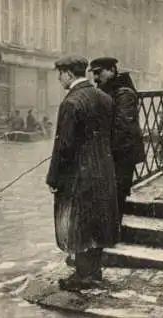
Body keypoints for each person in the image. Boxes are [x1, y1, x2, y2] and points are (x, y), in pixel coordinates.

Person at [47, 56, 118, 291]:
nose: (59, 79)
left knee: (77, 223)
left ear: (68, 74)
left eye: (60, 74)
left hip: (78, 173)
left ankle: (82, 276)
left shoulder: (71, 103)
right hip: (104, 170)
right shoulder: (105, 98)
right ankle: (94, 272)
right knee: (98, 220)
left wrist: (54, 178)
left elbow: (64, 146)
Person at [89, 57, 145, 240]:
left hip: (122, 153)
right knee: (110, 193)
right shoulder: (108, 90)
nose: (96, 77)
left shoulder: (124, 93)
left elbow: (123, 128)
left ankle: (113, 233)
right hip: (112, 152)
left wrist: (104, 149)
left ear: (112, 70)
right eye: (94, 73)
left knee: (117, 193)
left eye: (99, 72)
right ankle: (110, 231)